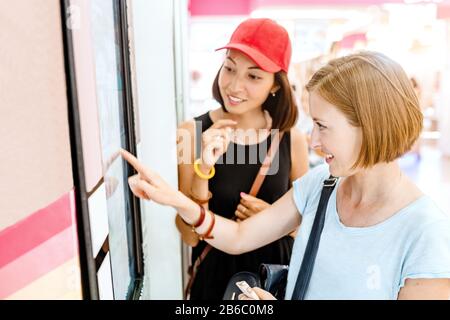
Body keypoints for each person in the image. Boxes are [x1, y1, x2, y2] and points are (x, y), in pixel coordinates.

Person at [121, 51, 450, 299]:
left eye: (322, 126)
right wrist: (174, 198)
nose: (313, 141)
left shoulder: (425, 232)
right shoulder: (320, 185)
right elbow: (238, 238)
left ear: (370, 126)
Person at [174, 18, 309, 299]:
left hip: (274, 285)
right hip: (214, 284)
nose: (234, 86)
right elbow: (189, 236)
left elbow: (308, 228)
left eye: (254, 76)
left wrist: (275, 221)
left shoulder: (290, 139)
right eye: (229, 68)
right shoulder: (192, 133)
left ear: (275, 84)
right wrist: (203, 170)